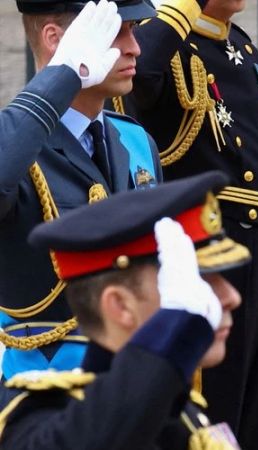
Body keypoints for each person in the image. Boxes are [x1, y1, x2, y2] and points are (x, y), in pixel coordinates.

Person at [125, 0, 258, 445]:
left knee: (257, 422)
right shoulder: (168, 42)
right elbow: (139, 75)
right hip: (218, 258)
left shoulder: (238, 43)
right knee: (217, 423)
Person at [0, 171, 246, 449]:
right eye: (194, 281)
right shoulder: (42, 422)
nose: (231, 297)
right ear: (120, 306)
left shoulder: (178, 412)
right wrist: (176, 332)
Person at [0, 0, 161, 382]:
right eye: (114, 32)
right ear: (56, 40)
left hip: (138, 384)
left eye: (133, 30)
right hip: (51, 394)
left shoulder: (135, 139)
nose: (134, 47)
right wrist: (63, 75)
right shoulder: (17, 147)